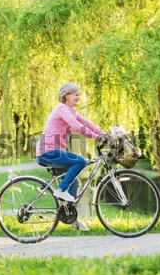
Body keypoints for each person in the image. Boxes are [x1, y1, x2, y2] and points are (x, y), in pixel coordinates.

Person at [36, 82, 107, 231]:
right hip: (48, 152)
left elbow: (86, 123)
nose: (79, 97)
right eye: (76, 94)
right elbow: (76, 126)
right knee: (80, 161)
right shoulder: (62, 109)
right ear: (66, 95)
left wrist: (102, 134)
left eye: (79, 94)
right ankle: (61, 190)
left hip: (55, 152)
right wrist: (96, 137)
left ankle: (70, 217)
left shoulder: (71, 111)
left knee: (74, 184)